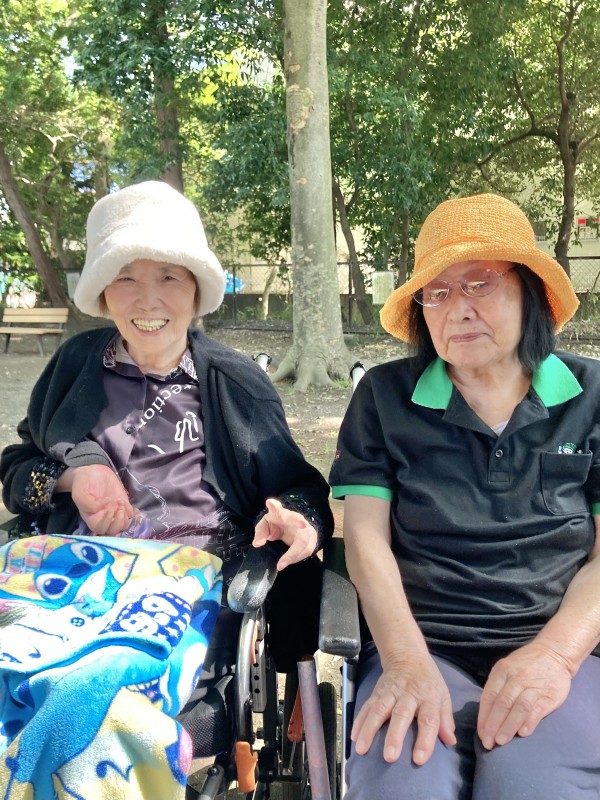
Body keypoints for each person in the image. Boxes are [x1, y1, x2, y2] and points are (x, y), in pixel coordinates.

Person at [0, 180, 333, 797]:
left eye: (169, 277)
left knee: (87, 703)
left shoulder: (233, 381)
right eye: (125, 277)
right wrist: (73, 476)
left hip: (186, 588)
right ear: (103, 290)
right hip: (73, 582)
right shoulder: (74, 366)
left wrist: (297, 518)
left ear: (197, 289)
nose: (147, 298)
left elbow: (299, 487)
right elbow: (19, 468)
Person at [329, 193, 600, 800]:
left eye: (481, 283)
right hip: (421, 644)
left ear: (531, 293)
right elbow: (365, 540)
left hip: (563, 648)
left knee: (534, 787)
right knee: (402, 786)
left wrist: (554, 658)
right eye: (439, 292)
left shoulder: (592, 395)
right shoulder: (383, 398)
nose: (459, 308)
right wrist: (405, 661)